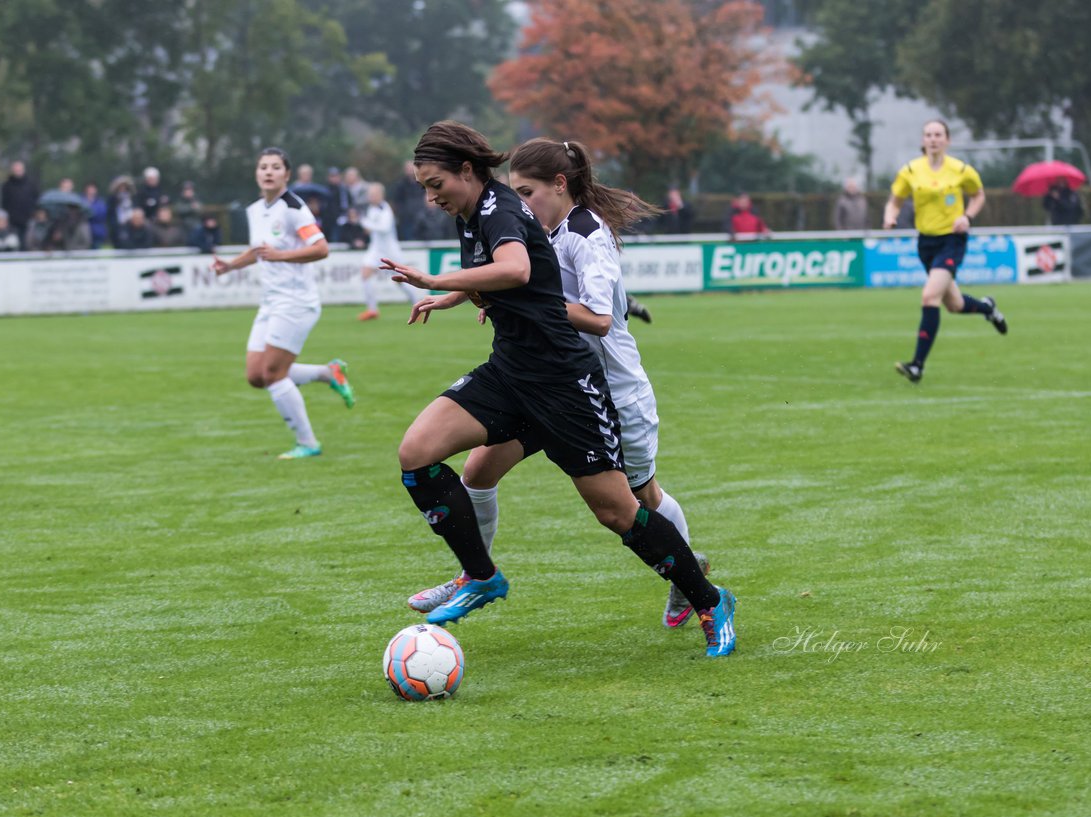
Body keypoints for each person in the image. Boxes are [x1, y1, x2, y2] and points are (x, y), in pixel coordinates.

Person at [378, 121, 736, 656]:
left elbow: (518, 269)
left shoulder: (500, 209)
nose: (431, 198)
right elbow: (511, 274)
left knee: (621, 511)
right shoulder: (474, 211)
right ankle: (480, 577)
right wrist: (460, 297)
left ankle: (708, 599)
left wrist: (437, 281)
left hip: (566, 384)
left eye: (436, 184)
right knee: (419, 454)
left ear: (468, 171)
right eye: (424, 188)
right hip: (510, 372)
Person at [211, 147, 356, 460]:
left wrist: (281, 255)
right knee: (256, 375)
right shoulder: (254, 210)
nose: (268, 172)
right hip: (270, 302)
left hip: (296, 302)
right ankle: (328, 373)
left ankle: (308, 443)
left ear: (286, 175)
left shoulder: (294, 208)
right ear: (256, 173)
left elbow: (321, 248)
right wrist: (229, 266)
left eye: (275, 167)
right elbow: (258, 251)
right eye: (263, 166)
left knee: (274, 374)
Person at [883, 118, 1007, 384]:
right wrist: (890, 216)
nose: (933, 139)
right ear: (923, 140)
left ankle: (917, 366)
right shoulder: (911, 171)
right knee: (954, 304)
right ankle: (988, 308)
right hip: (925, 242)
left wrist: (968, 217)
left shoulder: (961, 170)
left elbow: (979, 195)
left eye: (938, 134)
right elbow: (895, 200)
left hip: (952, 240)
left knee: (929, 297)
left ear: (947, 140)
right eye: (928, 134)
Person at [357, 183, 419, 320]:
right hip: (375, 250)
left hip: (391, 252)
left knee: (401, 281)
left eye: (373, 195)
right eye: (369, 195)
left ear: (380, 195)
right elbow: (371, 228)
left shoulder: (385, 210)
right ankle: (372, 310)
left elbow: (383, 228)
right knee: (365, 274)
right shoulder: (371, 209)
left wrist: (364, 222)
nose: (370, 197)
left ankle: (419, 306)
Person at [0, 160, 39, 239]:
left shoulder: (31, 184)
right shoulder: (7, 186)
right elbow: (4, 203)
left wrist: (33, 213)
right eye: (16, 170)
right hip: (12, 220)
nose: (18, 172)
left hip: (28, 219)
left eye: (19, 170)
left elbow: (36, 199)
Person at [84, 182, 109, 248]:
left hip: (97, 233)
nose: (91, 191)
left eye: (93, 189)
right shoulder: (82, 200)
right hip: (84, 233)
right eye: (90, 189)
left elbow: (102, 215)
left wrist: (89, 211)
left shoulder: (100, 202)